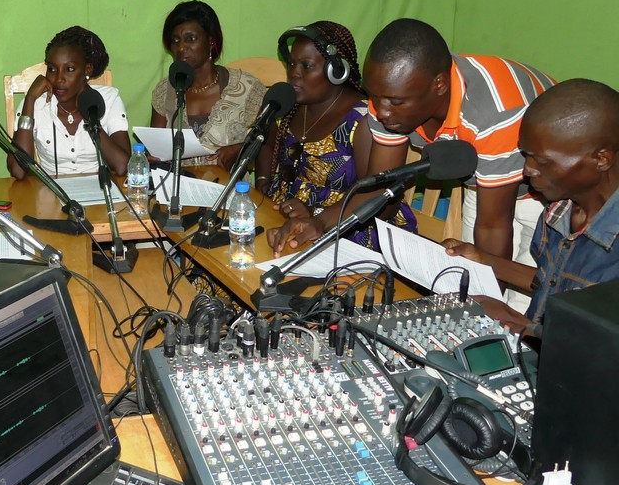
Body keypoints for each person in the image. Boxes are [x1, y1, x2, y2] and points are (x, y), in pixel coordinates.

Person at [269, 19, 553, 277]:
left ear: (439, 85)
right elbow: (381, 187)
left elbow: (493, 226)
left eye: (394, 102)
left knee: (523, 308)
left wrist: (486, 306)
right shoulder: (390, 98)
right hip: (484, 182)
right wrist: (319, 223)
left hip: (547, 196)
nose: (381, 112)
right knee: (469, 283)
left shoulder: (494, 111)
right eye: (375, 97)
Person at [443, 80, 619, 331]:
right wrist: (483, 258)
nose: (528, 170)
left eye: (543, 161)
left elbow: (600, 347)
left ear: (601, 159)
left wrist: (525, 329)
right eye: (526, 155)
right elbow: (552, 280)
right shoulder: (557, 211)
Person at [257, 21, 415, 248]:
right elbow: (266, 144)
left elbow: (380, 201)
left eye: (306, 66)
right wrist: (263, 181)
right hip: (288, 218)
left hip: (351, 229)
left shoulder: (363, 121)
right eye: (291, 64)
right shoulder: (290, 106)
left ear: (337, 71)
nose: (294, 74)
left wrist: (315, 212)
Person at [150, 0, 266, 170]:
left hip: (229, 192)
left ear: (211, 41)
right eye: (175, 40)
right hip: (177, 190)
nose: (181, 48)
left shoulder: (247, 89)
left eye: (191, 39)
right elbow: (156, 148)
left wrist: (240, 150)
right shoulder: (164, 90)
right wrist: (154, 157)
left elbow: (271, 145)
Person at [9, 25, 131, 179]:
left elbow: (122, 167)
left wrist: (90, 114)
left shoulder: (109, 99)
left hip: (99, 193)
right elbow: (17, 171)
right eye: (52, 69)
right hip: (50, 194)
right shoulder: (36, 104)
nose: (59, 79)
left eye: (70, 69)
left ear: (87, 70)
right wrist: (30, 100)